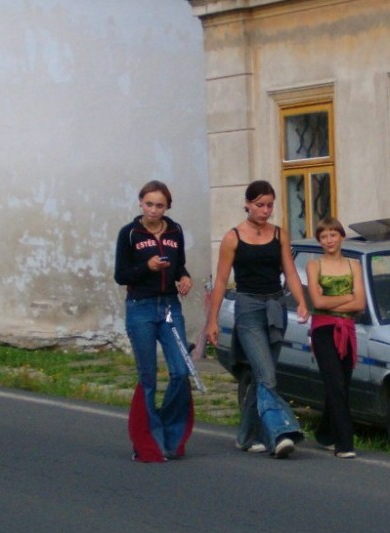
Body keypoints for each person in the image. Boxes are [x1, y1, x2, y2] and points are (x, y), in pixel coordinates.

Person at [205, 180, 308, 458]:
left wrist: (300, 301)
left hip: (275, 306)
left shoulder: (279, 235)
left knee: (260, 377)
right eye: (260, 205)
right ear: (248, 205)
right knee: (267, 375)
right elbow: (222, 281)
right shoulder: (233, 237)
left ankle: (245, 436)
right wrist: (212, 321)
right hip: (248, 307)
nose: (265, 210)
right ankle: (280, 433)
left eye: (270, 205)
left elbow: (290, 270)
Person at [114, 180, 194, 463]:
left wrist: (184, 277)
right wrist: (145, 267)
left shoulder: (175, 231)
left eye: (160, 205)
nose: (154, 210)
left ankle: (171, 436)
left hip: (170, 306)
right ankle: (148, 442)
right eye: (149, 204)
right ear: (140, 203)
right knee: (147, 377)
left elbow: (179, 264)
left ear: (167, 207)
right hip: (141, 308)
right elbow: (121, 275)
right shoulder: (130, 234)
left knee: (181, 372)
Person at [306, 217, 366, 459]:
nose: (329, 240)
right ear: (319, 241)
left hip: (347, 331)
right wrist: (347, 298)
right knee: (335, 384)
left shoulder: (354, 265)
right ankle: (345, 444)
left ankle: (325, 433)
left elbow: (361, 303)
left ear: (341, 236)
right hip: (323, 330)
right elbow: (317, 302)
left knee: (343, 383)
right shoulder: (314, 265)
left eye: (333, 235)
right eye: (324, 236)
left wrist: (341, 301)